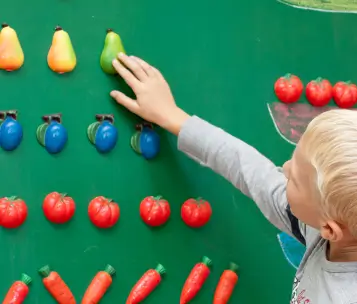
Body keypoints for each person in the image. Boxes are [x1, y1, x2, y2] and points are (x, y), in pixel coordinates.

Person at [110, 52, 357, 304]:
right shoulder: (324, 223)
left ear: (329, 229)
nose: (284, 169)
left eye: (294, 180)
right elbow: (251, 171)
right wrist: (173, 117)